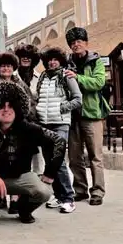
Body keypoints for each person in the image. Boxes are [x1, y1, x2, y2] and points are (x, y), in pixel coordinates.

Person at [0, 80, 66, 227]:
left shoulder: (29, 129)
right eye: (1, 106)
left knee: (45, 192)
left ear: (18, 108)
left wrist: (49, 173)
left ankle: (24, 210)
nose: (6, 110)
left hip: (21, 177)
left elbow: (59, 141)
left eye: (11, 106)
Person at [36, 46, 83, 214]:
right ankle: (58, 195)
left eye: (55, 59)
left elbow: (78, 99)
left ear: (60, 61)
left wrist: (62, 108)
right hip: (44, 123)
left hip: (60, 123)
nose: (52, 62)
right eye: (49, 60)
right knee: (49, 161)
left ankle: (68, 198)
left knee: (58, 160)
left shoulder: (66, 76)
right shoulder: (43, 77)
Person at [65, 27, 109, 206]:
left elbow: (99, 82)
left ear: (86, 43)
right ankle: (80, 190)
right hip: (73, 116)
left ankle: (97, 191)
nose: (76, 45)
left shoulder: (96, 61)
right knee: (75, 157)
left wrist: (77, 78)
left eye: (79, 41)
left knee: (95, 156)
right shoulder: (68, 62)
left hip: (92, 114)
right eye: (73, 43)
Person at [0, 51, 35, 214]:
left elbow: (30, 106)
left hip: (18, 132)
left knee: (17, 164)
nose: (6, 69)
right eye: (3, 66)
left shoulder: (20, 85)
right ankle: (0, 198)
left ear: (13, 67)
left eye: (8, 66)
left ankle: (15, 199)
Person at [14, 43, 44, 175]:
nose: (25, 59)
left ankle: (37, 190)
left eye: (29, 56)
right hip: (17, 123)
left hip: (35, 122)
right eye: (22, 56)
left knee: (38, 158)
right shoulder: (13, 77)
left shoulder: (40, 77)